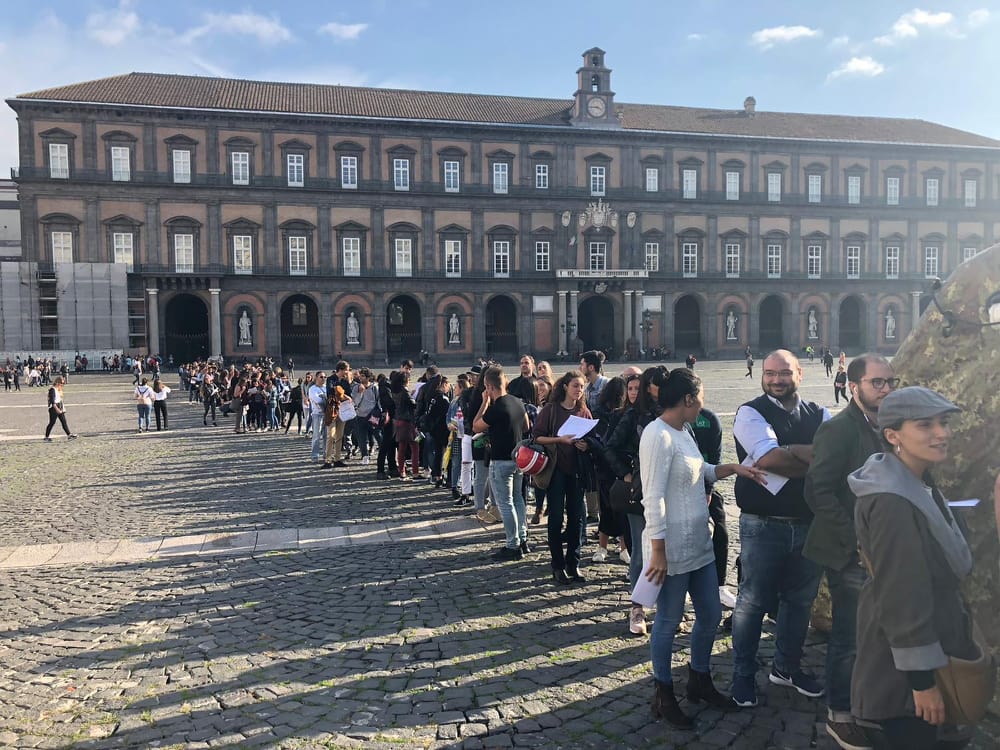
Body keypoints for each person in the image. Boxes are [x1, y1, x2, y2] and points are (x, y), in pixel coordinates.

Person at [848, 387, 979, 749]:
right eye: (925, 425)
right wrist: (922, 684)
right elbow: (901, 595)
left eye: (944, 422)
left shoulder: (915, 480)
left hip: (927, 650)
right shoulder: (894, 500)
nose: (941, 433)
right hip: (903, 678)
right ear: (893, 436)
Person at [642, 367, 765, 728]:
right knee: (668, 620)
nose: (703, 406)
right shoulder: (657, 436)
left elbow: (702, 471)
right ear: (687, 400)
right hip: (672, 547)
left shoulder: (686, 431)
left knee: (710, 613)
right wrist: (659, 551)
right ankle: (663, 693)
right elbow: (653, 499)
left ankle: (698, 678)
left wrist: (733, 468)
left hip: (698, 541)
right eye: (700, 399)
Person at [804, 354, 897, 750]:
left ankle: (869, 704)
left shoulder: (889, 426)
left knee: (876, 634)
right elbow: (817, 490)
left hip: (885, 549)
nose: (887, 389)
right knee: (847, 636)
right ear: (853, 386)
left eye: (890, 381)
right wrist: (856, 538)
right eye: (878, 382)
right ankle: (839, 715)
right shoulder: (840, 429)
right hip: (851, 553)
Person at [730, 349, 830, 708]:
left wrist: (790, 450)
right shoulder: (750, 412)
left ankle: (786, 667)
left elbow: (836, 457)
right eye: (770, 373)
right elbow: (770, 459)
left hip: (808, 522)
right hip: (762, 524)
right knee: (751, 602)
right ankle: (742, 675)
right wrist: (811, 457)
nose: (776, 379)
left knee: (800, 602)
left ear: (799, 374)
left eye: (784, 373)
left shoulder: (820, 413)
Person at [606, 366, 668, 635]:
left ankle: (667, 608)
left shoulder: (672, 413)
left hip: (669, 492)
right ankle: (637, 608)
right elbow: (610, 446)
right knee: (642, 554)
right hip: (641, 490)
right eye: (654, 386)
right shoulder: (633, 415)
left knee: (670, 553)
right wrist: (627, 474)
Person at [531, 371, 593, 584]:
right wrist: (559, 439)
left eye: (582, 387)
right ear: (565, 386)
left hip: (576, 470)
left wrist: (586, 445)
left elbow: (591, 438)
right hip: (556, 469)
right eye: (576, 385)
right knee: (556, 517)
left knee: (576, 518)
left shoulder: (584, 412)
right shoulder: (551, 409)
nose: (579, 390)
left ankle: (573, 563)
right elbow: (536, 436)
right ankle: (557, 566)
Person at [473, 366, 529, 561]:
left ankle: (512, 545)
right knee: (518, 500)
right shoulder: (517, 401)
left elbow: (476, 425)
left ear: (489, 386)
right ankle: (523, 539)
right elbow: (527, 425)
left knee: (505, 504)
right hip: (518, 459)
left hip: (500, 460)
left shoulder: (496, 407)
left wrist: (484, 402)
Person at [43, 376, 77, 441]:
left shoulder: (58, 389)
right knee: (52, 422)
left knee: (64, 421)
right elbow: (52, 401)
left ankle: (69, 435)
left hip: (59, 406)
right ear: (57, 382)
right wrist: (57, 409)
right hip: (54, 408)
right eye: (61, 383)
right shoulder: (52, 390)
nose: (62, 385)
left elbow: (60, 399)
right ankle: (46, 437)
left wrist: (62, 408)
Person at [308, 373, 328, 460]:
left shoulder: (326, 387)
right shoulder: (312, 389)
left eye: (324, 377)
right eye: (321, 377)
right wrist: (325, 399)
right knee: (316, 435)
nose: (323, 379)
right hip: (317, 414)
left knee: (326, 435)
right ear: (316, 378)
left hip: (327, 414)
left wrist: (324, 398)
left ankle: (326, 453)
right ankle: (315, 455)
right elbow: (317, 400)